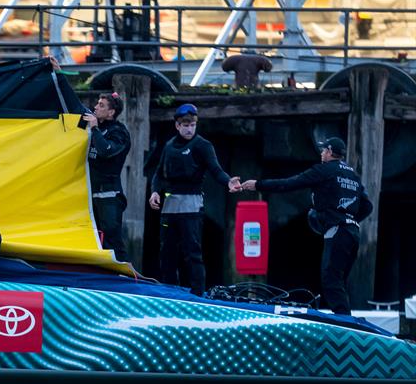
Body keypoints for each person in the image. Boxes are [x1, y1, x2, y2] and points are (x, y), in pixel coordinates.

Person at [242, 137, 373, 315]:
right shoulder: (353, 175)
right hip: (353, 233)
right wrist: (350, 219)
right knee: (339, 282)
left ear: (329, 152)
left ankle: (345, 323)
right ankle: (345, 320)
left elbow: (289, 183)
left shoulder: (324, 170)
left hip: (337, 231)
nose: (321, 153)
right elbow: (367, 206)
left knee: (331, 281)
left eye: (323, 150)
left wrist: (258, 184)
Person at [148, 103, 241, 296]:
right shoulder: (169, 146)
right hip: (169, 208)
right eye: (185, 125)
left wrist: (228, 182)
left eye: (192, 125)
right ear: (177, 126)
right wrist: (155, 192)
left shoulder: (202, 145)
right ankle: (169, 292)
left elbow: (216, 170)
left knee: (193, 254)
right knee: (167, 254)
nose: (189, 129)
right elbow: (159, 174)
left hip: (191, 207)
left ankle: (198, 294)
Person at [84, 92, 131, 262]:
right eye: (97, 103)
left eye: (101, 105)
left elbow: (105, 151)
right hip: (91, 195)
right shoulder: (96, 125)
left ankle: (126, 281)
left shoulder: (119, 132)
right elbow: (73, 104)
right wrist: (59, 74)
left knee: (113, 241)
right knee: (96, 241)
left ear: (111, 112)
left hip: (109, 196)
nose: (96, 107)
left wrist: (95, 128)